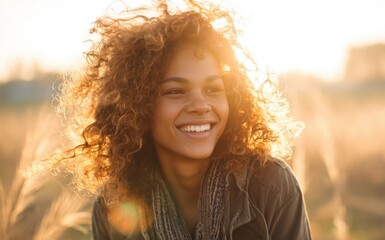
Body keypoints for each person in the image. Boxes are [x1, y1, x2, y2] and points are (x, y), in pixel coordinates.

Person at [55, 1, 311, 239]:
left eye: (213, 89)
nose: (201, 106)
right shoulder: (114, 204)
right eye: (175, 91)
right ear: (138, 107)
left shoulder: (271, 187)